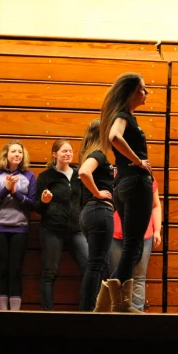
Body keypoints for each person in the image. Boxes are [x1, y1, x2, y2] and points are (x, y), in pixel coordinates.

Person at [98, 72, 153, 313]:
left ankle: (109, 303)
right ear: (131, 92)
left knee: (133, 246)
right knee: (133, 246)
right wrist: (139, 161)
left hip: (122, 184)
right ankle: (116, 304)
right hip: (135, 183)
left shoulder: (126, 116)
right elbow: (114, 137)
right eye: (143, 88)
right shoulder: (123, 116)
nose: (147, 92)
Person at [34, 139, 88, 311]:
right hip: (52, 230)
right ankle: (47, 312)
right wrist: (43, 202)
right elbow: (37, 208)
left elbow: (85, 200)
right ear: (54, 154)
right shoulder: (46, 177)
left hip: (76, 230)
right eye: (64, 151)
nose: (68, 154)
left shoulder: (80, 174)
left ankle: (87, 309)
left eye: (70, 151)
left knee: (89, 266)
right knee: (50, 272)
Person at [0, 140, 36, 311]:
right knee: (1, 268)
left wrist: (14, 193)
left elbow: (31, 205)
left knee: (15, 269)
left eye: (20, 152)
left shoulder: (29, 176)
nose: (17, 154)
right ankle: (2, 311)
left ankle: (15, 312)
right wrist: (6, 189)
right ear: (6, 155)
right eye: (13, 151)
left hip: (20, 228)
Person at [106, 177, 161, 312]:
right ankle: (116, 313)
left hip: (143, 234)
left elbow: (155, 205)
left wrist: (157, 230)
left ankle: (137, 314)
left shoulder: (148, 178)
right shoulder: (114, 176)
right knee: (116, 278)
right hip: (117, 233)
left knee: (138, 278)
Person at [77, 119, 115, 312]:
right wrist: (98, 192)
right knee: (96, 264)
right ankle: (88, 311)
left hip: (90, 212)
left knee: (101, 264)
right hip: (99, 210)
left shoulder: (89, 154)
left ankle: (96, 308)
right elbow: (84, 173)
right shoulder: (98, 154)